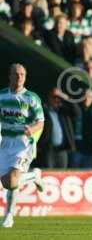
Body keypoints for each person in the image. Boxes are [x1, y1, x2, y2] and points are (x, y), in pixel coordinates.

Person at [0, 64, 44, 228]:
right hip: (5, 145)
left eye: (22, 74)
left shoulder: (31, 98)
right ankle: (34, 176)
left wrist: (31, 129)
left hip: (23, 145)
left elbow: (40, 121)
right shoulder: (2, 96)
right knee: (7, 183)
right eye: (16, 74)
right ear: (9, 76)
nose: (19, 77)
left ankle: (9, 215)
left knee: (13, 181)